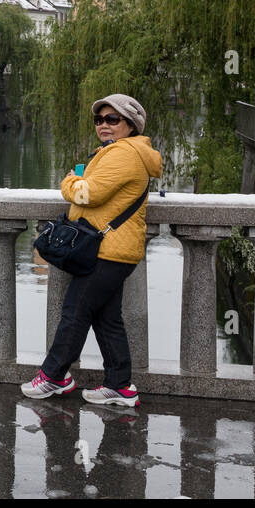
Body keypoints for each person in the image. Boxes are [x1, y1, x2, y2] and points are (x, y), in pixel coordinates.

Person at [22, 93, 163, 407]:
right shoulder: (123, 152)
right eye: (100, 119)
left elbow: (88, 193)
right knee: (107, 318)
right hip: (116, 249)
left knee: (75, 312)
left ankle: (55, 376)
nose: (104, 125)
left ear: (131, 125)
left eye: (113, 119)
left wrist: (70, 181)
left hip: (107, 250)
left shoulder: (124, 154)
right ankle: (120, 385)